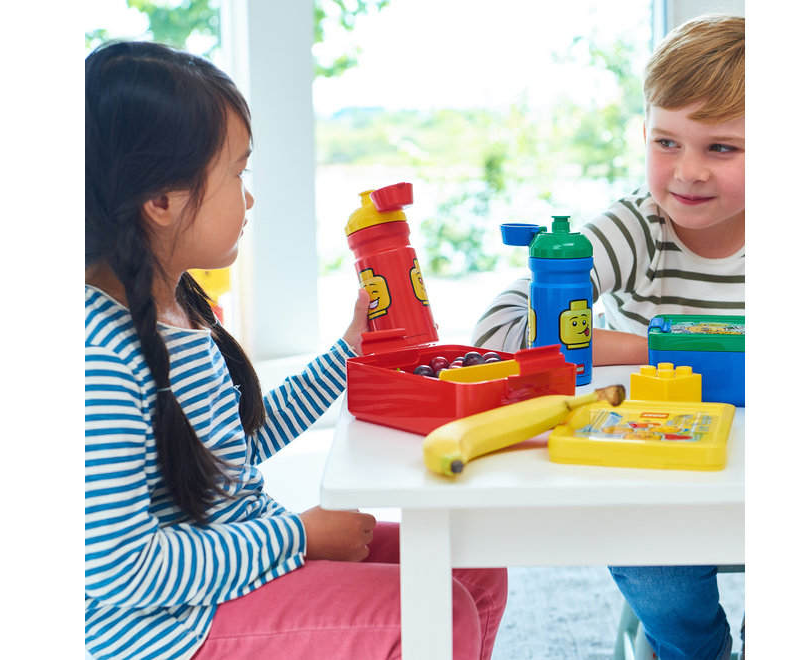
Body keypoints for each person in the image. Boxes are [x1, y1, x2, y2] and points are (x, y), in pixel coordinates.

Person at [85, 41, 507, 660]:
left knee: (472, 566)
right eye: (236, 174)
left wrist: (347, 352)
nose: (248, 198)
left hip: (232, 563)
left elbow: (229, 451)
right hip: (169, 627)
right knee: (433, 615)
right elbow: (122, 571)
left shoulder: (179, 304)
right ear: (162, 201)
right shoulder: (99, 357)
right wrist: (298, 537)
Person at [470, 14, 744, 660]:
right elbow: (503, 333)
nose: (688, 172)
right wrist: (667, 349)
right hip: (657, 486)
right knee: (661, 578)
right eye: (667, 143)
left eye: (722, 148)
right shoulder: (638, 229)